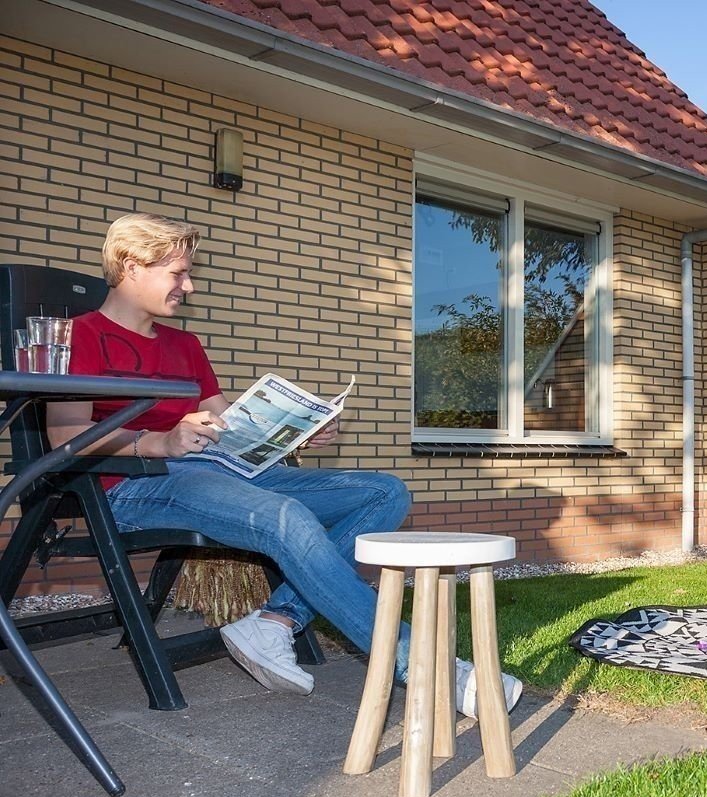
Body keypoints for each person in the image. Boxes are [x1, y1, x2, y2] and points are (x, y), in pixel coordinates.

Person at [47, 213, 521, 713]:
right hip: (134, 485)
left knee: (384, 491)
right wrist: (158, 443)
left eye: (189, 272)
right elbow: (66, 437)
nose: (189, 285)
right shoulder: (79, 336)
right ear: (130, 266)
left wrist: (292, 433)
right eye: (178, 273)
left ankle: (274, 622)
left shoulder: (184, 344)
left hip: (216, 469)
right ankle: (425, 667)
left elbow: (225, 422)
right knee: (284, 517)